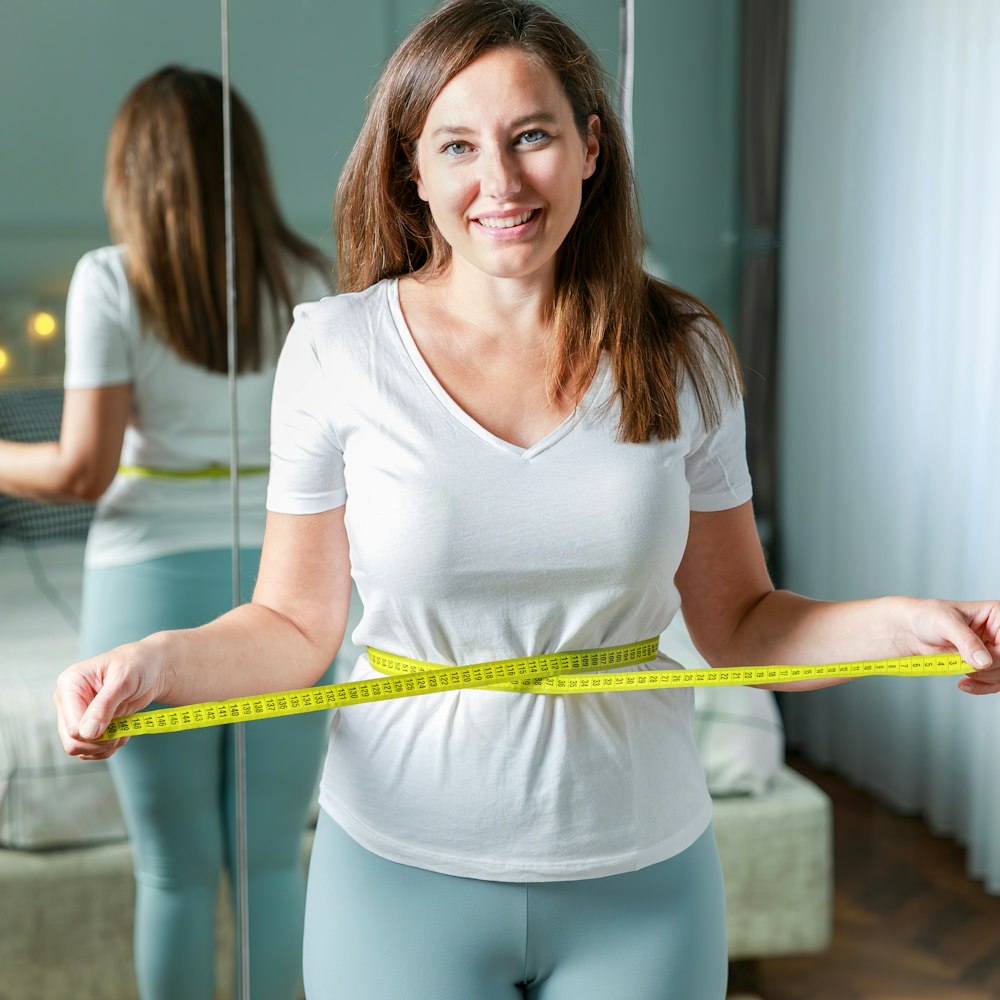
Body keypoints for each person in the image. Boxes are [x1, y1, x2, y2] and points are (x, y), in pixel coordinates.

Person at [54, 5, 1000, 999]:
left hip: (643, 874)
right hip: (397, 875)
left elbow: (743, 625)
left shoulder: (683, 351)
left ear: (591, 146)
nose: (498, 182)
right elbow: (293, 626)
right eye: (457, 145)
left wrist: (907, 623)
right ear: (409, 171)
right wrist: (154, 662)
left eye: (532, 136)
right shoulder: (334, 350)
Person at [0, 67, 333, 999]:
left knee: (173, 871)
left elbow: (78, 470)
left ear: (132, 171)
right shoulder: (306, 278)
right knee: (272, 862)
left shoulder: (111, 281)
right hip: (286, 574)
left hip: (146, 577)